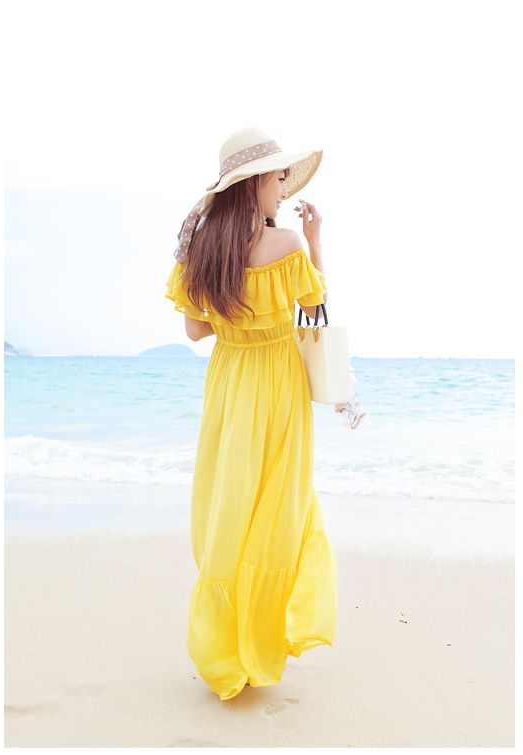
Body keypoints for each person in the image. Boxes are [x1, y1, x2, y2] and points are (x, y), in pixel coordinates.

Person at [164, 126, 337, 701]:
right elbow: (315, 308)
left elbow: (195, 331)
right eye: (279, 178)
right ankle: (260, 641)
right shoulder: (286, 244)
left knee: (231, 503)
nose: (284, 189)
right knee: (279, 502)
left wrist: (236, 316)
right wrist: (315, 241)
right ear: (255, 182)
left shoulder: (201, 250)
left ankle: (222, 648)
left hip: (228, 383)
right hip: (277, 380)